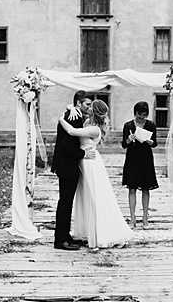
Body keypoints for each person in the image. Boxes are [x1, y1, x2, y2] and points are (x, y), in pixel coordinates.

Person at [58, 99, 133, 248]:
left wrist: (61, 118)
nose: (89, 109)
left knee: (94, 197)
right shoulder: (88, 123)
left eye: (91, 107)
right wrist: (70, 108)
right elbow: (75, 110)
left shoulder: (95, 129)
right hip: (84, 161)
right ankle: (87, 231)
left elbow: (72, 131)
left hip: (90, 163)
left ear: (95, 110)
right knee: (85, 197)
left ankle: (101, 232)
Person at [51, 90, 95, 250]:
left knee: (66, 201)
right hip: (67, 165)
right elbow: (67, 145)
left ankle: (65, 236)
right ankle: (60, 240)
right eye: (87, 104)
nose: (89, 108)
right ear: (78, 103)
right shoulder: (73, 117)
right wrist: (83, 153)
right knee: (65, 202)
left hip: (67, 164)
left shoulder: (72, 114)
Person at [121, 101, 158, 229]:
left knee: (146, 188)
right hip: (132, 158)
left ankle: (145, 218)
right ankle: (132, 218)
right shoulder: (128, 125)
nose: (141, 118)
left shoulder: (151, 125)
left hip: (146, 159)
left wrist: (150, 141)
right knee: (132, 188)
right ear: (135, 113)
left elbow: (155, 143)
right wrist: (129, 139)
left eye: (144, 115)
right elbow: (123, 144)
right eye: (139, 115)